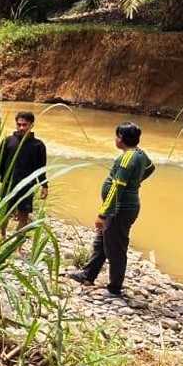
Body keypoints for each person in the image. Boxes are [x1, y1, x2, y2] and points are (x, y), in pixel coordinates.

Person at [69, 123, 155, 296]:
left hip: (120, 209)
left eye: (116, 136)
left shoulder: (126, 159)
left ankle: (115, 287)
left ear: (121, 138)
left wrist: (103, 214)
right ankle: (88, 274)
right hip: (122, 207)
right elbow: (151, 168)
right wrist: (135, 181)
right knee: (101, 241)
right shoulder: (140, 153)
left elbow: (117, 188)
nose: (115, 139)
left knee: (115, 248)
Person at [0, 111, 48, 233]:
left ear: (32, 125)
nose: (21, 127)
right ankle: (1, 237)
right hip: (8, 184)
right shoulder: (8, 141)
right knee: (4, 213)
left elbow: (41, 168)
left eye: (24, 125)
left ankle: (18, 241)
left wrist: (44, 185)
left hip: (27, 186)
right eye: (19, 124)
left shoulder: (38, 145)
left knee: (23, 215)